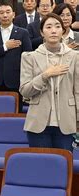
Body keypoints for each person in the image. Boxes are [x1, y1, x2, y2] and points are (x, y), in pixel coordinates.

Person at [20, 13, 79, 152]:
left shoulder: (75, 57)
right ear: (42, 32)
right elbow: (25, 90)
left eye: (57, 26)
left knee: (64, 166)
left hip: (66, 122)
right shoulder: (30, 57)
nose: (53, 30)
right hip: (38, 123)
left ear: (63, 30)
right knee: (40, 166)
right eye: (49, 27)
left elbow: (77, 91)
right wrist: (45, 75)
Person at [0, 2, 32, 111]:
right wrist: (5, 47)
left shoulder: (23, 33)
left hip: (16, 80)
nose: (5, 15)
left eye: (8, 12)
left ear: (13, 14)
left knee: (16, 112)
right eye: (1, 13)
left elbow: (28, 56)